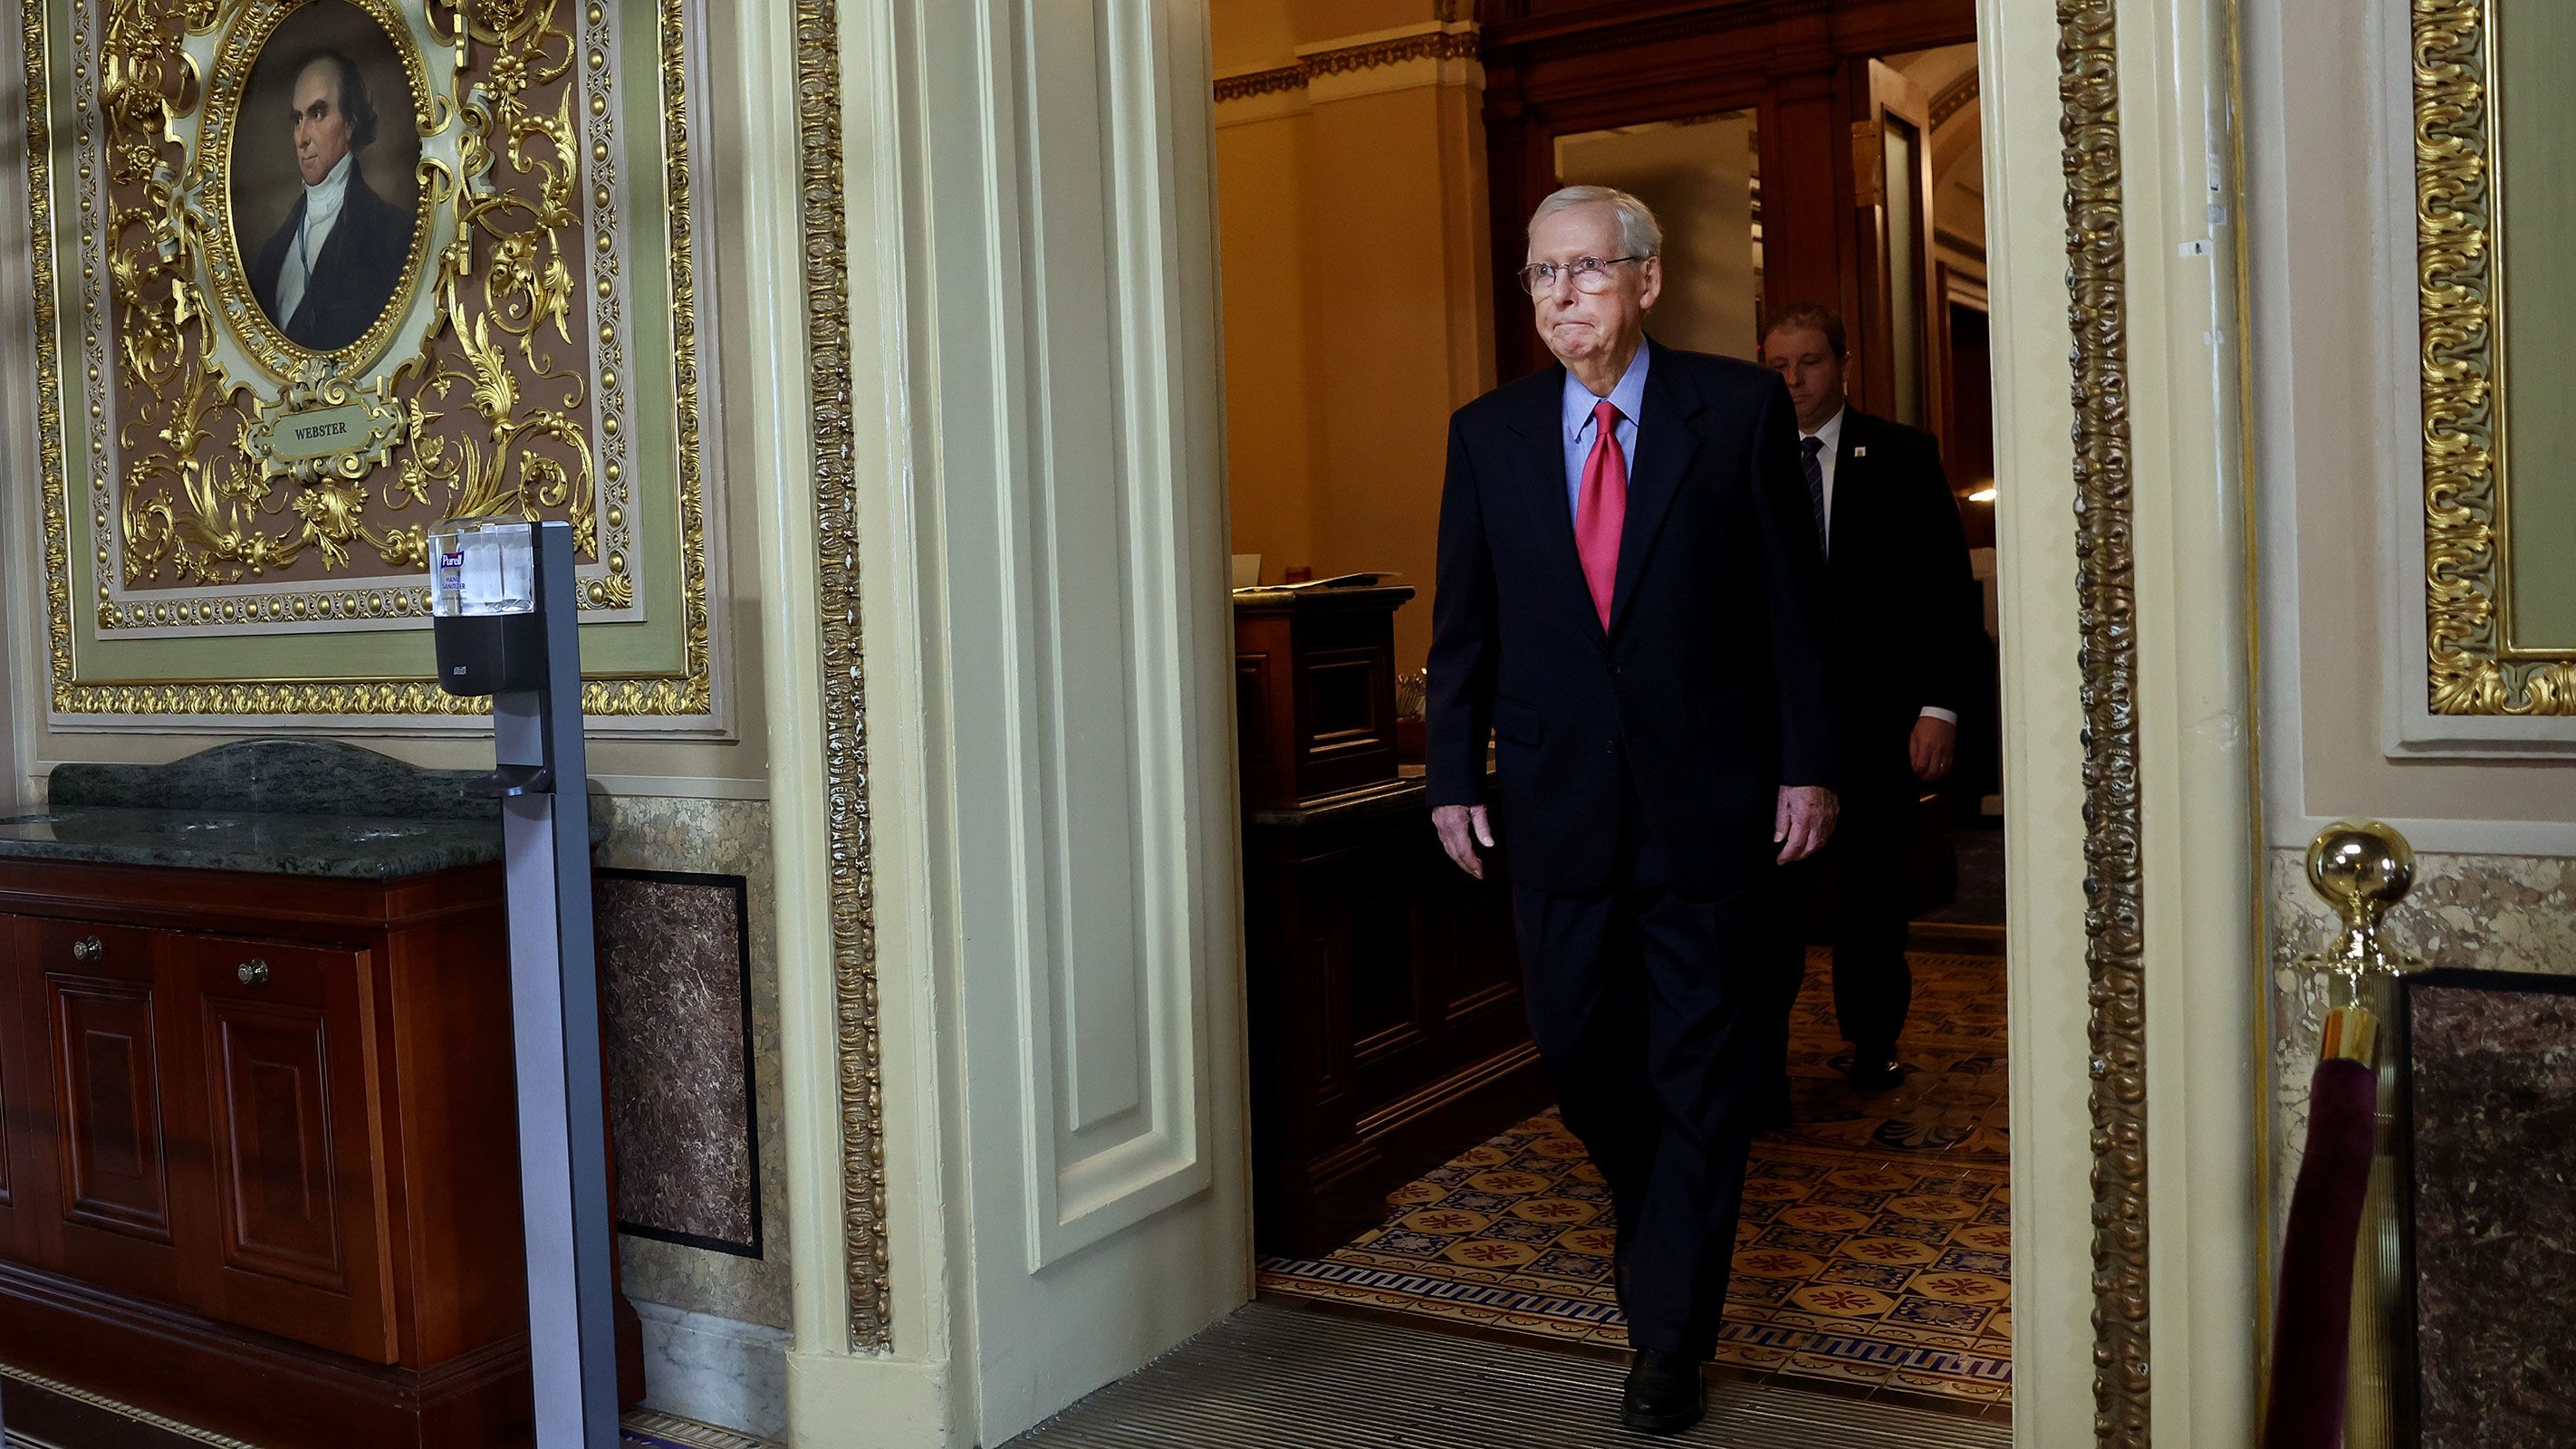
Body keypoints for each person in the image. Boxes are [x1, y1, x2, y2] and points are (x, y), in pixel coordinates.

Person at [1426, 186, 1836, 1435]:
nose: (1561, 298)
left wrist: (1808, 763)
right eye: (1542, 276)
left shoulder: (1737, 408)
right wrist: (1452, 773)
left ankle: (1669, 1337)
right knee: (1579, 1052)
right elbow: (1464, 626)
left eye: (1586, 271)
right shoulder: (1487, 432)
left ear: (1646, 281)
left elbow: (1790, 608)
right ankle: (1660, 1211)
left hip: (1707, 802)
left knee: (1703, 1069)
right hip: (1552, 802)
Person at [1760, 304, 1979, 1093]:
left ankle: (1872, 1040)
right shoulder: (1740, 460)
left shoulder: (1901, 455)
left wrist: (1940, 706)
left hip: (1879, 721)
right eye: (1778, 365)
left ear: (1844, 365)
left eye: (1809, 362)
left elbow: (1946, 594)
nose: (1793, 380)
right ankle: (1762, 1059)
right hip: (1771, 728)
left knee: (1871, 896)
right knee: (1768, 904)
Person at [249, 51, 412, 353]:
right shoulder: (271, 255)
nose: (302, 138)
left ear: (350, 123)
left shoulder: (394, 235)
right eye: (298, 119)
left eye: (317, 114)